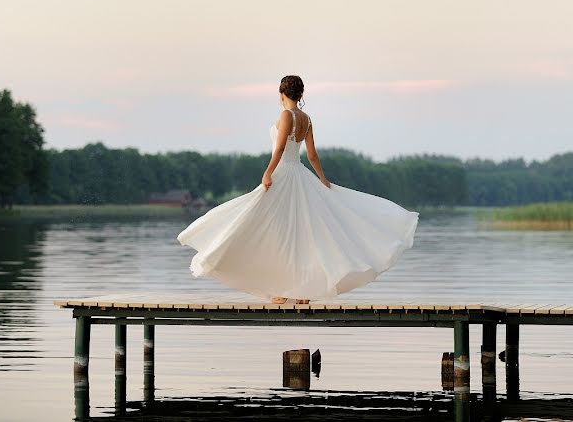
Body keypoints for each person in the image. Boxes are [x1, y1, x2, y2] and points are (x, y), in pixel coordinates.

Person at [177, 75, 419, 304]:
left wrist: (267, 172)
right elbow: (312, 154)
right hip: (300, 174)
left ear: (282, 93)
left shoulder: (286, 116)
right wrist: (322, 179)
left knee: (268, 227)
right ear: (300, 93)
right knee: (302, 233)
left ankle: (284, 288)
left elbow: (280, 148)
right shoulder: (307, 119)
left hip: (283, 175)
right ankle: (302, 290)